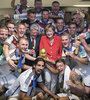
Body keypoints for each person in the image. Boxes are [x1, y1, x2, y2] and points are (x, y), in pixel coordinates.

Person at [40, 24, 62, 93]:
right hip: (46, 63)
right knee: (48, 80)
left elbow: (60, 52)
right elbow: (41, 50)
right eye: (47, 31)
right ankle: (47, 93)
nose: (48, 33)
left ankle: (53, 94)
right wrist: (46, 59)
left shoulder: (58, 39)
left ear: (54, 31)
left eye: (50, 31)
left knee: (54, 81)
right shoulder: (43, 38)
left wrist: (56, 61)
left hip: (56, 63)